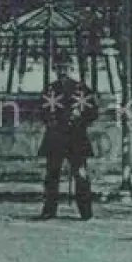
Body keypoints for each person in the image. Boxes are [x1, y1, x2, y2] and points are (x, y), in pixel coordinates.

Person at [37, 57, 98, 220]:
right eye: (59, 67)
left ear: (71, 69)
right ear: (55, 69)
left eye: (66, 67)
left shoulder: (82, 89)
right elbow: (40, 110)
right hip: (55, 137)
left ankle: (85, 211)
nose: (63, 71)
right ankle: (49, 210)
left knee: (81, 175)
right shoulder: (49, 89)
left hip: (76, 137)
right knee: (52, 175)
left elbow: (93, 112)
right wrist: (50, 121)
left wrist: (81, 121)